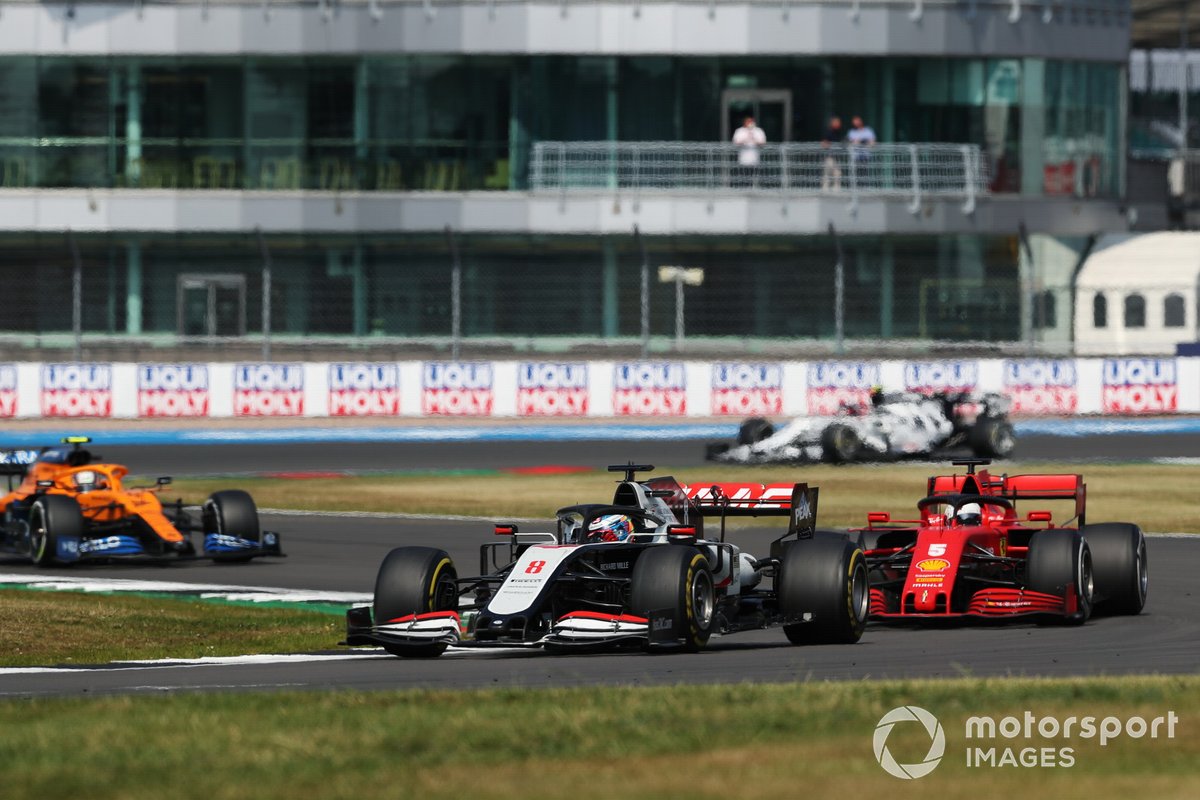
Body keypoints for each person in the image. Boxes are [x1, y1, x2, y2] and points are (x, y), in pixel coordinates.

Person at [732, 116, 766, 188]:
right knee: (744, 176)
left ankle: (753, 189)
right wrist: (746, 137)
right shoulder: (739, 131)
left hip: (755, 159)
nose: (750, 123)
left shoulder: (758, 131)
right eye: (748, 122)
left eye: (751, 122)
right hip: (743, 160)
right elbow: (736, 142)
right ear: (745, 123)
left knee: (754, 176)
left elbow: (762, 143)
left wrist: (753, 137)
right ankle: (744, 189)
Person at [847, 115, 876, 183]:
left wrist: (862, 141)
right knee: (856, 176)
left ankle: (864, 190)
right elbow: (850, 143)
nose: (855, 124)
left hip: (865, 156)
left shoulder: (868, 130)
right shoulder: (851, 132)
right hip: (855, 157)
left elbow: (872, 142)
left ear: (860, 121)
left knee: (864, 175)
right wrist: (860, 141)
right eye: (854, 122)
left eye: (857, 122)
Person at [821, 115, 844, 190]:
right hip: (829, 156)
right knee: (827, 173)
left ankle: (836, 189)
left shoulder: (839, 132)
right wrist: (829, 145)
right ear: (832, 123)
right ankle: (825, 188)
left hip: (837, 156)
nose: (838, 124)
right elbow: (824, 143)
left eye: (839, 123)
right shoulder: (829, 131)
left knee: (837, 173)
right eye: (836, 122)